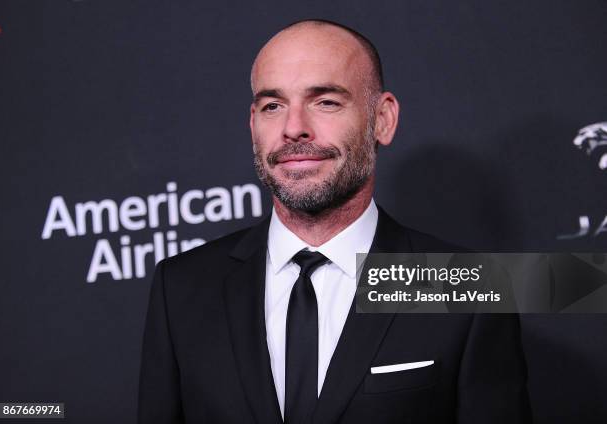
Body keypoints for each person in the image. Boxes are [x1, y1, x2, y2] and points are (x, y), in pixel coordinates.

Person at [138, 19, 531, 424]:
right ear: (252, 124)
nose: (293, 129)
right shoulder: (182, 287)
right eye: (273, 106)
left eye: (325, 101)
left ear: (382, 119)